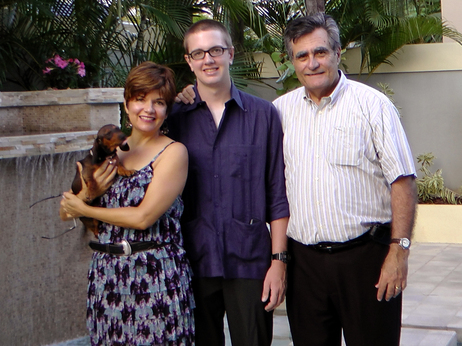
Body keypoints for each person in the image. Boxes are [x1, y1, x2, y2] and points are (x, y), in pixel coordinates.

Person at [272, 13, 417, 346]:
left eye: (320, 52)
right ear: (292, 62)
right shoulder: (278, 112)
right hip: (304, 266)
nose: (312, 63)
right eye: (302, 56)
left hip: (366, 259)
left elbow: (403, 180)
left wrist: (399, 253)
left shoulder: (373, 106)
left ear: (338, 52)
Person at [168, 19, 290, 346]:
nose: (208, 59)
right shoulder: (175, 119)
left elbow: (278, 194)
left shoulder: (263, 115)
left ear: (231, 54)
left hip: (249, 261)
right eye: (199, 53)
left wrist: (278, 263)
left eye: (216, 50)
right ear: (189, 61)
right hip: (195, 261)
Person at [60, 61, 195, 346]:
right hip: (106, 275)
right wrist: (87, 194)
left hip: (154, 274)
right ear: (126, 103)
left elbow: (143, 217)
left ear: (167, 109)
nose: (148, 109)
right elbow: (65, 209)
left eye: (158, 102)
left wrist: (84, 208)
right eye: (140, 99)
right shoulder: (108, 152)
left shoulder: (173, 153)